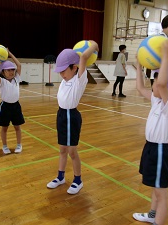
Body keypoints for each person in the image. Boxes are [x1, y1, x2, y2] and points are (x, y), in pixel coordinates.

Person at [133, 40, 168, 225]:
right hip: (150, 148)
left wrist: (166, 55)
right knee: (155, 187)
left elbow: (164, 84)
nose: (153, 85)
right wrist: (139, 67)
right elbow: (140, 88)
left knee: (161, 191)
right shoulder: (157, 100)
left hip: (160, 151)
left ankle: (158, 222)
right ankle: (152, 215)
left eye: (155, 81)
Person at [47, 40, 99, 195]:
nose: (61, 74)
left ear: (74, 68)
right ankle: (60, 177)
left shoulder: (79, 80)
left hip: (71, 117)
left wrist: (94, 45)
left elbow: (83, 57)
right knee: (62, 149)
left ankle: (78, 180)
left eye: (64, 70)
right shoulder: (65, 80)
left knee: (72, 152)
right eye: (60, 71)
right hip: (61, 115)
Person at [0, 49, 25, 154]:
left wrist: (10, 54)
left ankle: (19, 145)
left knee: (17, 127)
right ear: (3, 72)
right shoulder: (2, 82)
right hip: (5, 107)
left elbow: (19, 65)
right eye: (8, 70)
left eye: (12, 70)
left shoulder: (16, 79)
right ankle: (5, 146)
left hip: (16, 106)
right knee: (4, 128)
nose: (11, 72)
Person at [150, 14, 168, 87]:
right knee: (159, 98)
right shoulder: (161, 39)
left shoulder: (164, 38)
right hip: (159, 76)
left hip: (162, 75)